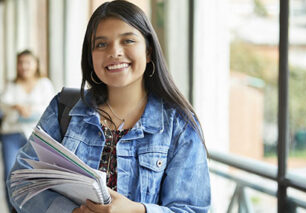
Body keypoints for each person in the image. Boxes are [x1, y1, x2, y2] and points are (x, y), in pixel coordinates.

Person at [7, 1, 211, 212]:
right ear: (90, 56)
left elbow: (192, 209)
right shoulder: (64, 108)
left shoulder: (179, 125)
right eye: (101, 44)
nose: (115, 52)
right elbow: (20, 182)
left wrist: (137, 210)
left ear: (148, 51)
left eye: (128, 40)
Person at [0, 49, 55, 211]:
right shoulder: (12, 85)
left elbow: (50, 106)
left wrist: (29, 109)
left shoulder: (44, 84)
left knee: (35, 175)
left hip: (36, 135)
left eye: (28, 62)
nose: (24, 66)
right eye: (21, 63)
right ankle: (13, 209)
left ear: (36, 64)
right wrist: (15, 106)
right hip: (12, 134)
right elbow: (3, 104)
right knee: (11, 174)